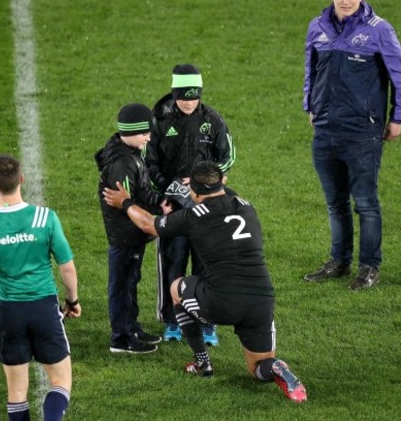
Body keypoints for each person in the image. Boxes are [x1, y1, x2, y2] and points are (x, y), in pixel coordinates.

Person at [103, 161, 307, 403]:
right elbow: (219, 197)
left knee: (176, 288)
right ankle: (276, 368)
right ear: (222, 183)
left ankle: (202, 363)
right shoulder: (247, 207)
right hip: (260, 301)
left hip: (220, 301)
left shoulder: (193, 216)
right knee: (258, 368)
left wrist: (126, 202)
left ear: (196, 192)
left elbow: (149, 224)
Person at [302, 0, 401, 290]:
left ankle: (369, 267)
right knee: (335, 202)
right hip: (325, 128)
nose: (346, 1)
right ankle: (339, 261)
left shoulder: (379, 30)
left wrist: (397, 117)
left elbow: (399, 74)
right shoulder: (317, 26)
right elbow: (311, 69)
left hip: (363, 130)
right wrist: (309, 105)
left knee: (365, 202)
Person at [0, 154, 81, 421]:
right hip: (44, 309)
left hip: (10, 313)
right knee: (61, 381)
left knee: (16, 392)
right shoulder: (45, 218)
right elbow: (67, 267)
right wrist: (72, 301)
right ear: (22, 180)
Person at [145, 63, 236, 344]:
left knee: (205, 264)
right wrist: (168, 187)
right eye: (183, 97)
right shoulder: (159, 121)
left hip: (205, 206)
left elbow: (228, 156)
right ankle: (172, 321)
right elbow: (148, 163)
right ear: (174, 94)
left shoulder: (213, 120)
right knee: (172, 262)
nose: (188, 103)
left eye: (193, 97)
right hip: (172, 207)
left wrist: (203, 181)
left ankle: (207, 322)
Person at [94, 103, 167, 354]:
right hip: (126, 236)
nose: (149, 137)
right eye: (145, 133)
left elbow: (141, 191)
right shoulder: (123, 163)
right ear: (132, 132)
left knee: (131, 281)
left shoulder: (132, 154)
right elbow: (126, 203)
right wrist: (150, 218)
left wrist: (159, 203)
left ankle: (132, 327)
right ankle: (121, 338)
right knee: (122, 285)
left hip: (132, 235)